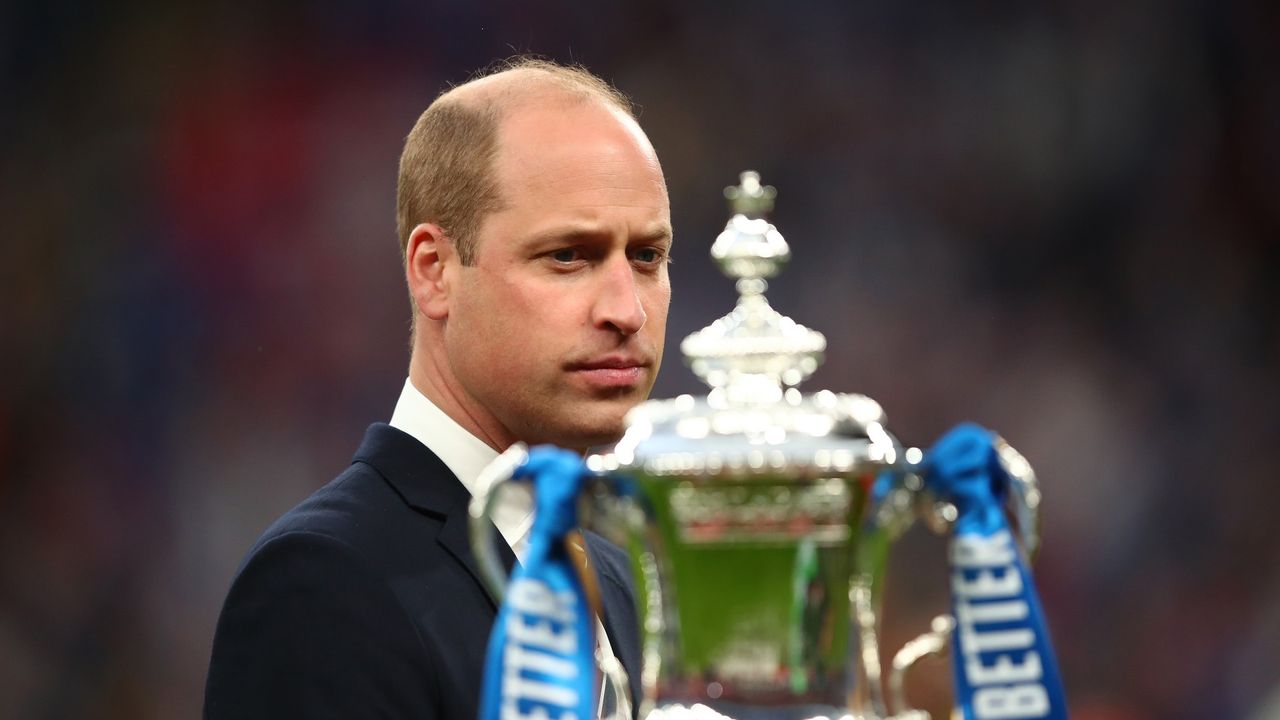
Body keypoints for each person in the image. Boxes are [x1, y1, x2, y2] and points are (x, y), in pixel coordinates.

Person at [203, 57, 672, 719]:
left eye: (647, 256)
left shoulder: (624, 584)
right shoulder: (324, 582)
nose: (627, 310)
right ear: (434, 271)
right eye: (568, 255)